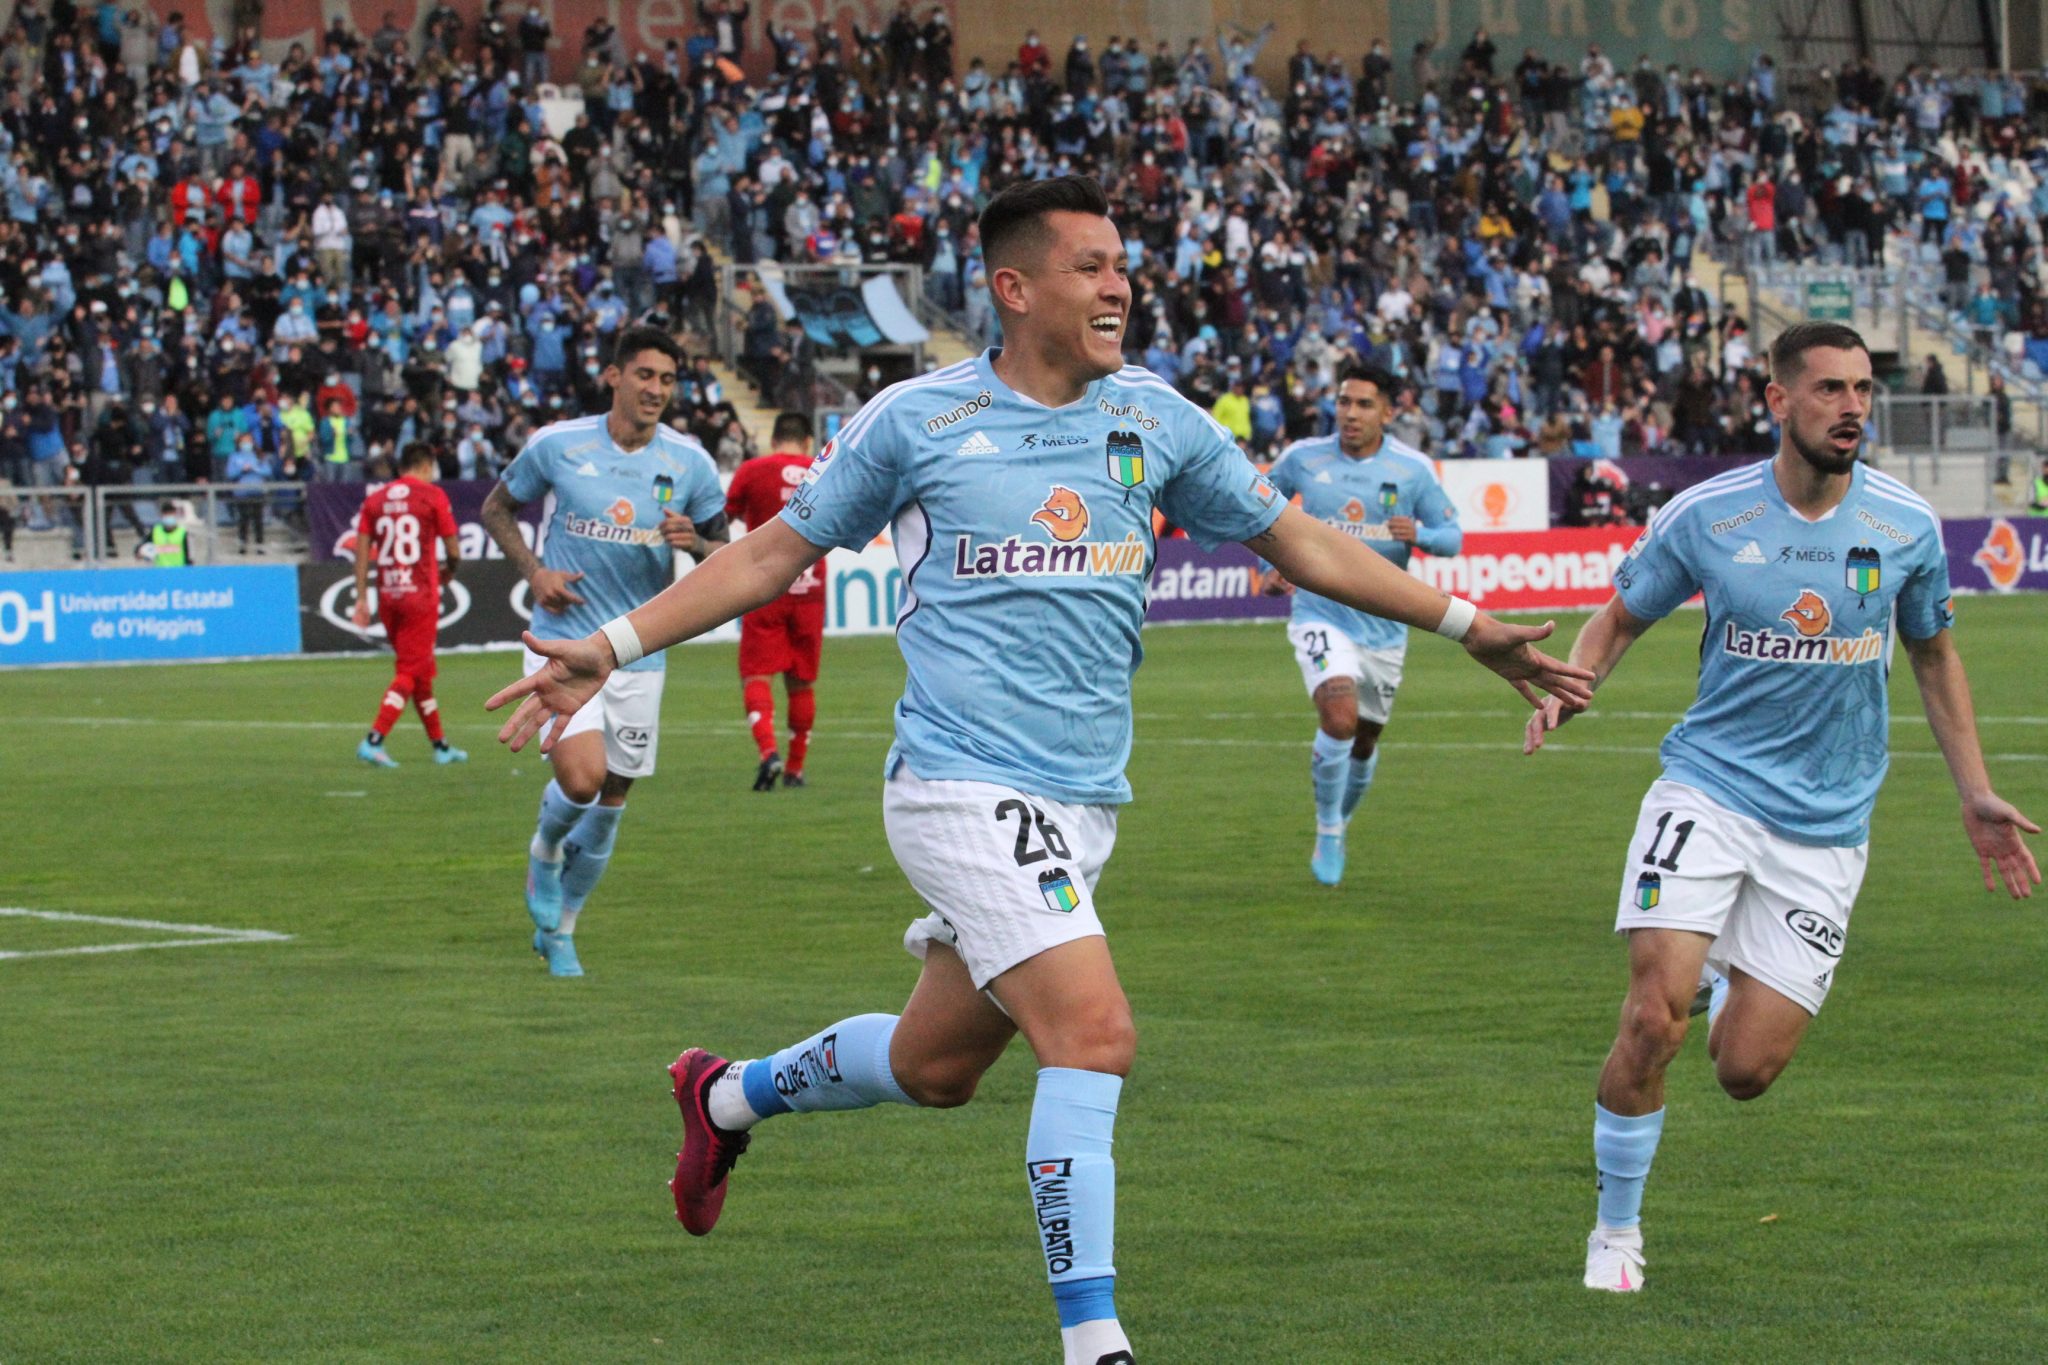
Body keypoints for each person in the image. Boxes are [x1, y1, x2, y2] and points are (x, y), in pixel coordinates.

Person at [489, 177, 1593, 1363]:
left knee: (934, 1067)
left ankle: (723, 1096)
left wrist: (1464, 624)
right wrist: (608, 648)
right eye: (1089, 267)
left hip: (1082, 800)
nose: (1119, 286)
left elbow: (1300, 542)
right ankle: (1094, 1340)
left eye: (1122, 266)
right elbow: (767, 557)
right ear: (1014, 289)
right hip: (958, 784)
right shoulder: (918, 419)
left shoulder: (1156, 418)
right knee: (1094, 1035)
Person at [1523, 322, 2040, 1294]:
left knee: (1744, 1072)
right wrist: (1572, 682)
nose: (1852, 407)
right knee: (1652, 1019)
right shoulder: (1707, 515)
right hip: (1709, 789)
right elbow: (1619, 616)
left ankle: (1722, 970)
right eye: (1830, 389)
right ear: (1776, 399)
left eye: (1862, 390)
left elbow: (1932, 654)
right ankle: (1615, 1230)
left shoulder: (1903, 525)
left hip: (1827, 826)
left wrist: (1974, 792)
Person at [480, 325, 728, 978]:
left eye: (667, 380)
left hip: (641, 652)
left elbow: (727, 551)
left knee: (613, 800)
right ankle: (544, 849)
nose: (656, 389)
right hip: (564, 643)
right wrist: (536, 572)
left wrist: (697, 544)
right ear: (613, 376)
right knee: (583, 779)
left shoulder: (691, 463)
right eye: (645, 374)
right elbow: (497, 509)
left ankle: (563, 932)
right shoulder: (559, 445)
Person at [1260, 366, 1461, 885]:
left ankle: (1339, 820)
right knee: (1339, 717)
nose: (1350, 413)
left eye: (1364, 404)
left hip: (1386, 624)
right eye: (1344, 401)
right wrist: (1269, 566)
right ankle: (1328, 827)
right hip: (1320, 610)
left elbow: (1452, 536)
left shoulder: (1412, 470)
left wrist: (1420, 535)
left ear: (1388, 412)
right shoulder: (1303, 458)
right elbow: (1254, 508)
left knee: (1365, 740)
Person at [724, 410, 826, 790]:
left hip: (765, 586)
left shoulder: (752, 470)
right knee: (801, 682)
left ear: (773, 441)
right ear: (807, 442)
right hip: (811, 586)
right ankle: (796, 769)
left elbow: (724, 517)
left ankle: (769, 752)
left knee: (756, 674)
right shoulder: (823, 469)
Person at [351, 442, 465, 769]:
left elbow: (362, 552)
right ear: (426, 466)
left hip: (389, 596)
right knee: (410, 672)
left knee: (419, 672)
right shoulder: (432, 496)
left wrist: (361, 597)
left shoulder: (375, 500)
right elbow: (453, 550)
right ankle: (374, 740)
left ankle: (440, 746)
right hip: (420, 596)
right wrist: (450, 571)